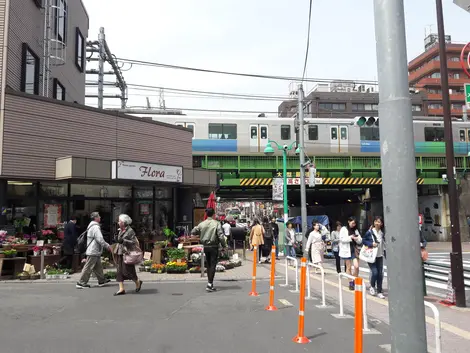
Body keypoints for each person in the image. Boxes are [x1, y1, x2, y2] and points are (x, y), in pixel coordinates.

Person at [191, 208, 227, 292]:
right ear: (213, 214)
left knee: (208, 264)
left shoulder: (202, 224)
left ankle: (210, 283)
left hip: (205, 246)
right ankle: (210, 284)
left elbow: (193, 231)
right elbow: (221, 235)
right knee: (213, 265)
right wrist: (224, 245)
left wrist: (200, 232)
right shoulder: (217, 223)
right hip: (214, 246)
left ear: (206, 214)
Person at [76, 212, 112, 289]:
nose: (100, 218)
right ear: (95, 218)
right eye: (99, 216)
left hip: (94, 250)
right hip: (93, 250)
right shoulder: (95, 227)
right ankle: (81, 282)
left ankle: (102, 280)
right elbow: (100, 239)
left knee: (98, 266)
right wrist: (108, 246)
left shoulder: (91, 226)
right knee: (88, 267)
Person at [112, 214, 143, 296]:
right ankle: (121, 289)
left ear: (123, 222)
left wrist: (123, 240)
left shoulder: (130, 231)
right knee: (119, 271)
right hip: (120, 252)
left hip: (127, 253)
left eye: (119, 221)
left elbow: (133, 242)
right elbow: (119, 240)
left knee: (128, 271)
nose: (118, 222)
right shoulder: (120, 230)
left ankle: (137, 282)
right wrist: (117, 239)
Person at [362, 216, 386, 299]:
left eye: (379, 222)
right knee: (375, 272)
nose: (377, 223)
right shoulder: (370, 232)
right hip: (371, 255)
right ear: (374, 222)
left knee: (380, 274)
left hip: (379, 255)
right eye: (376, 221)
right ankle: (372, 286)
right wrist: (371, 244)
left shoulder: (382, 233)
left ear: (382, 224)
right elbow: (364, 240)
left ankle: (379, 291)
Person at [339, 216, 362, 291]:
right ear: (349, 221)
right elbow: (341, 239)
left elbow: (360, 240)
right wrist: (350, 238)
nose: (353, 225)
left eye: (355, 223)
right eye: (352, 223)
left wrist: (357, 238)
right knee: (348, 267)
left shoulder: (356, 230)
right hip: (346, 250)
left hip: (354, 249)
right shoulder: (344, 229)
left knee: (356, 266)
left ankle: (354, 279)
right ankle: (351, 283)